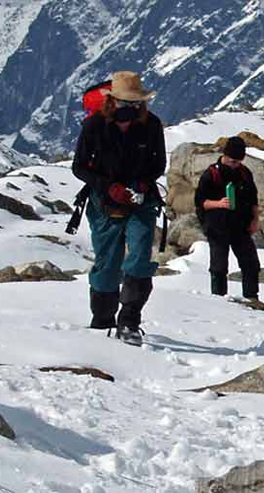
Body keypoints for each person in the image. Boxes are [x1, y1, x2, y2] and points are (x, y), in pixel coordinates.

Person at [71, 71, 166, 346]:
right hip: (104, 202)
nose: (131, 109)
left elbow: (158, 164)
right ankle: (102, 321)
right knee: (107, 264)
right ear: (113, 101)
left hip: (141, 201)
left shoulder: (152, 125)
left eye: (135, 104)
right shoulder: (94, 126)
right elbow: (79, 167)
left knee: (139, 256)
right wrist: (108, 186)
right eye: (126, 103)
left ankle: (129, 321)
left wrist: (143, 184)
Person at [194, 136, 261, 300]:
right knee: (219, 265)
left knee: (250, 263)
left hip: (241, 225)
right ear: (225, 155)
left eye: (238, 162)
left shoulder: (244, 173)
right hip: (217, 226)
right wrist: (219, 203)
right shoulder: (211, 174)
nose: (235, 165)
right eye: (232, 161)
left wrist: (255, 220)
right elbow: (200, 202)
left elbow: (253, 199)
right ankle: (219, 298)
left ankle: (252, 297)